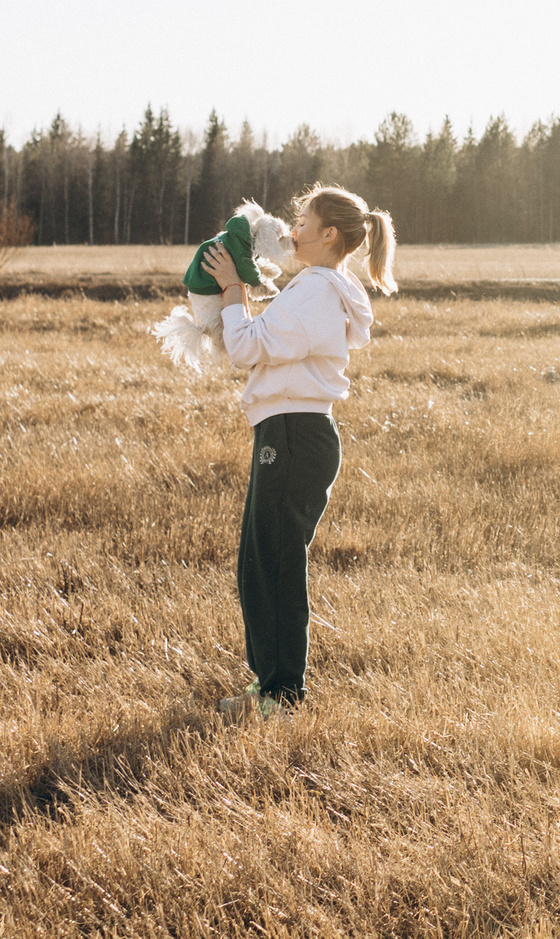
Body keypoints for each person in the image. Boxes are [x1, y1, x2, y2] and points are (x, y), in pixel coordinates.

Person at [199, 182, 397, 721]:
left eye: (304, 221)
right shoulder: (313, 287)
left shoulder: (314, 293)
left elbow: (246, 346)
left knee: (276, 565)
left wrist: (233, 290)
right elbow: (264, 337)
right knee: (258, 563)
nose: (292, 229)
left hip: (293, 435)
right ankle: (269, 686)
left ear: (329, 234)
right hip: (287, 433)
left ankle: (282, 698)